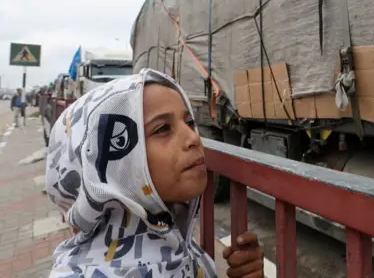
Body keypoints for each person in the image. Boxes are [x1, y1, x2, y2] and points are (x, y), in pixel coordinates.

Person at [45, 69, 264, 277]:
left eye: (189, 122)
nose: (193, 137)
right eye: (162, 129)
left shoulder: (181, 249)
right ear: (112, 161)